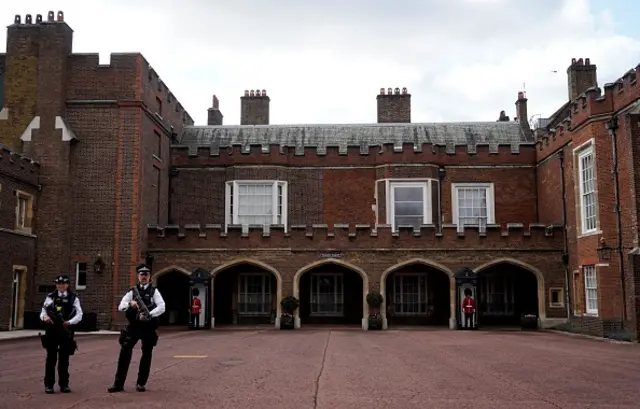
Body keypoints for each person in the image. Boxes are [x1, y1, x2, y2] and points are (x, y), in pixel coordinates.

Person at [108, 264, 165, 393]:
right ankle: (118, 384)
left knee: (146, 355)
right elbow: (121, 306)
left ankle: (141, 383)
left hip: (148, 327)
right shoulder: (132, 291)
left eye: (146, 275)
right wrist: (130, 303)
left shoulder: (154, 291)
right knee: (125, 352)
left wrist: (149, 315)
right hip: (134, 326)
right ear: (138, 276)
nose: (143, 277)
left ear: (149, 277)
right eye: (141, 275)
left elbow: (162, 307)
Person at [39, 275, 83, 394]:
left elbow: (79, 314)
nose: (60, 286)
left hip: (66, 331)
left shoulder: (73, 298)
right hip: (52, 331)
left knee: (64, 359)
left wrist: (69, 322)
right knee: (51, 359)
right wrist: (46, 318)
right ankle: (49, 385)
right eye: (58, 284)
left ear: (67, 285)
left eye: (63, 284)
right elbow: (43, 312)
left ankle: (64, 384)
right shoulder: (50, 297)